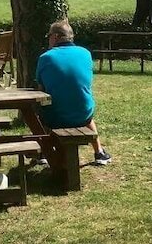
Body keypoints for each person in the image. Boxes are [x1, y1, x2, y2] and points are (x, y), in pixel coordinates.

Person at [35, 20, 112, 165]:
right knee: (86, 113)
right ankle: (99, 152)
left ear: (56, 37)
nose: (48, 39)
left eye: (49, 36)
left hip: (55, 117)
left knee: (44, 109)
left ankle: (44, 153)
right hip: (83, 113)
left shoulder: (46, 58)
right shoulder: (85, 53)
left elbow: (41, 88)